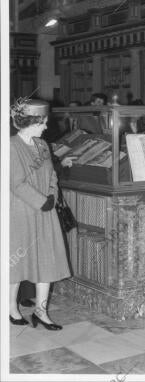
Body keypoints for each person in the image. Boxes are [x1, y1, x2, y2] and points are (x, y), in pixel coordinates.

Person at [10, 99, 71, 329]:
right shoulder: (10, 146)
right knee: (17, 263)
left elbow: (52, 175)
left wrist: (52, 196)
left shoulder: (44, 146)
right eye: (43, 122)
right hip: (20, 212)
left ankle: (41, 311)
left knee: (47, 261)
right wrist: (40, 201)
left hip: (46, 210)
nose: (46, 127)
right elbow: (15, 183)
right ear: (33, 121)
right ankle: (11, 309)